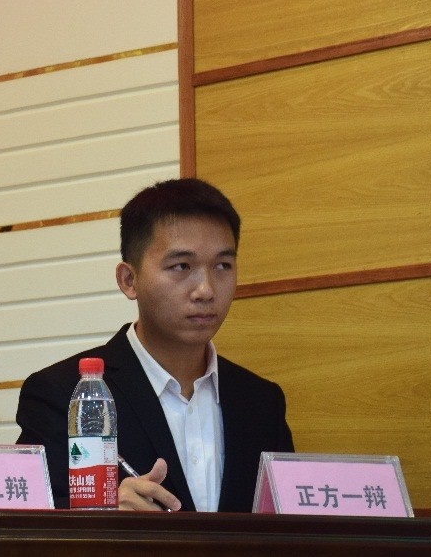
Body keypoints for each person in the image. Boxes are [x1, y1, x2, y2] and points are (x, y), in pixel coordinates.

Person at [16, 178, 293, 512]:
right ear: (129, 280)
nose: (206, 290)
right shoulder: (63, 394)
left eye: (223, 265)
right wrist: (101, 514)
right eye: (181, 266)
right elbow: (29, 521)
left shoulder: (262, 402)